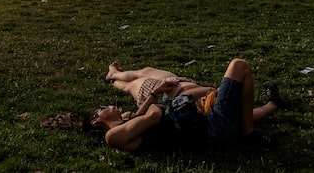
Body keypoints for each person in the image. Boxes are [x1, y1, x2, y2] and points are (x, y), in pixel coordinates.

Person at [89, 58, 290, 151]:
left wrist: (155, 95)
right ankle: (249, 134)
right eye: (104, 108)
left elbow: (141, 117)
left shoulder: (127, 120)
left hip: (201, 124)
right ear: (96, 121)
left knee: (240, 113)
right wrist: (159, 99)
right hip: (209, 130)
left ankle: (274, 103)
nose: (111, 106)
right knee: (239, 65)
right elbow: (153, 116)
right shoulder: (111, 136)